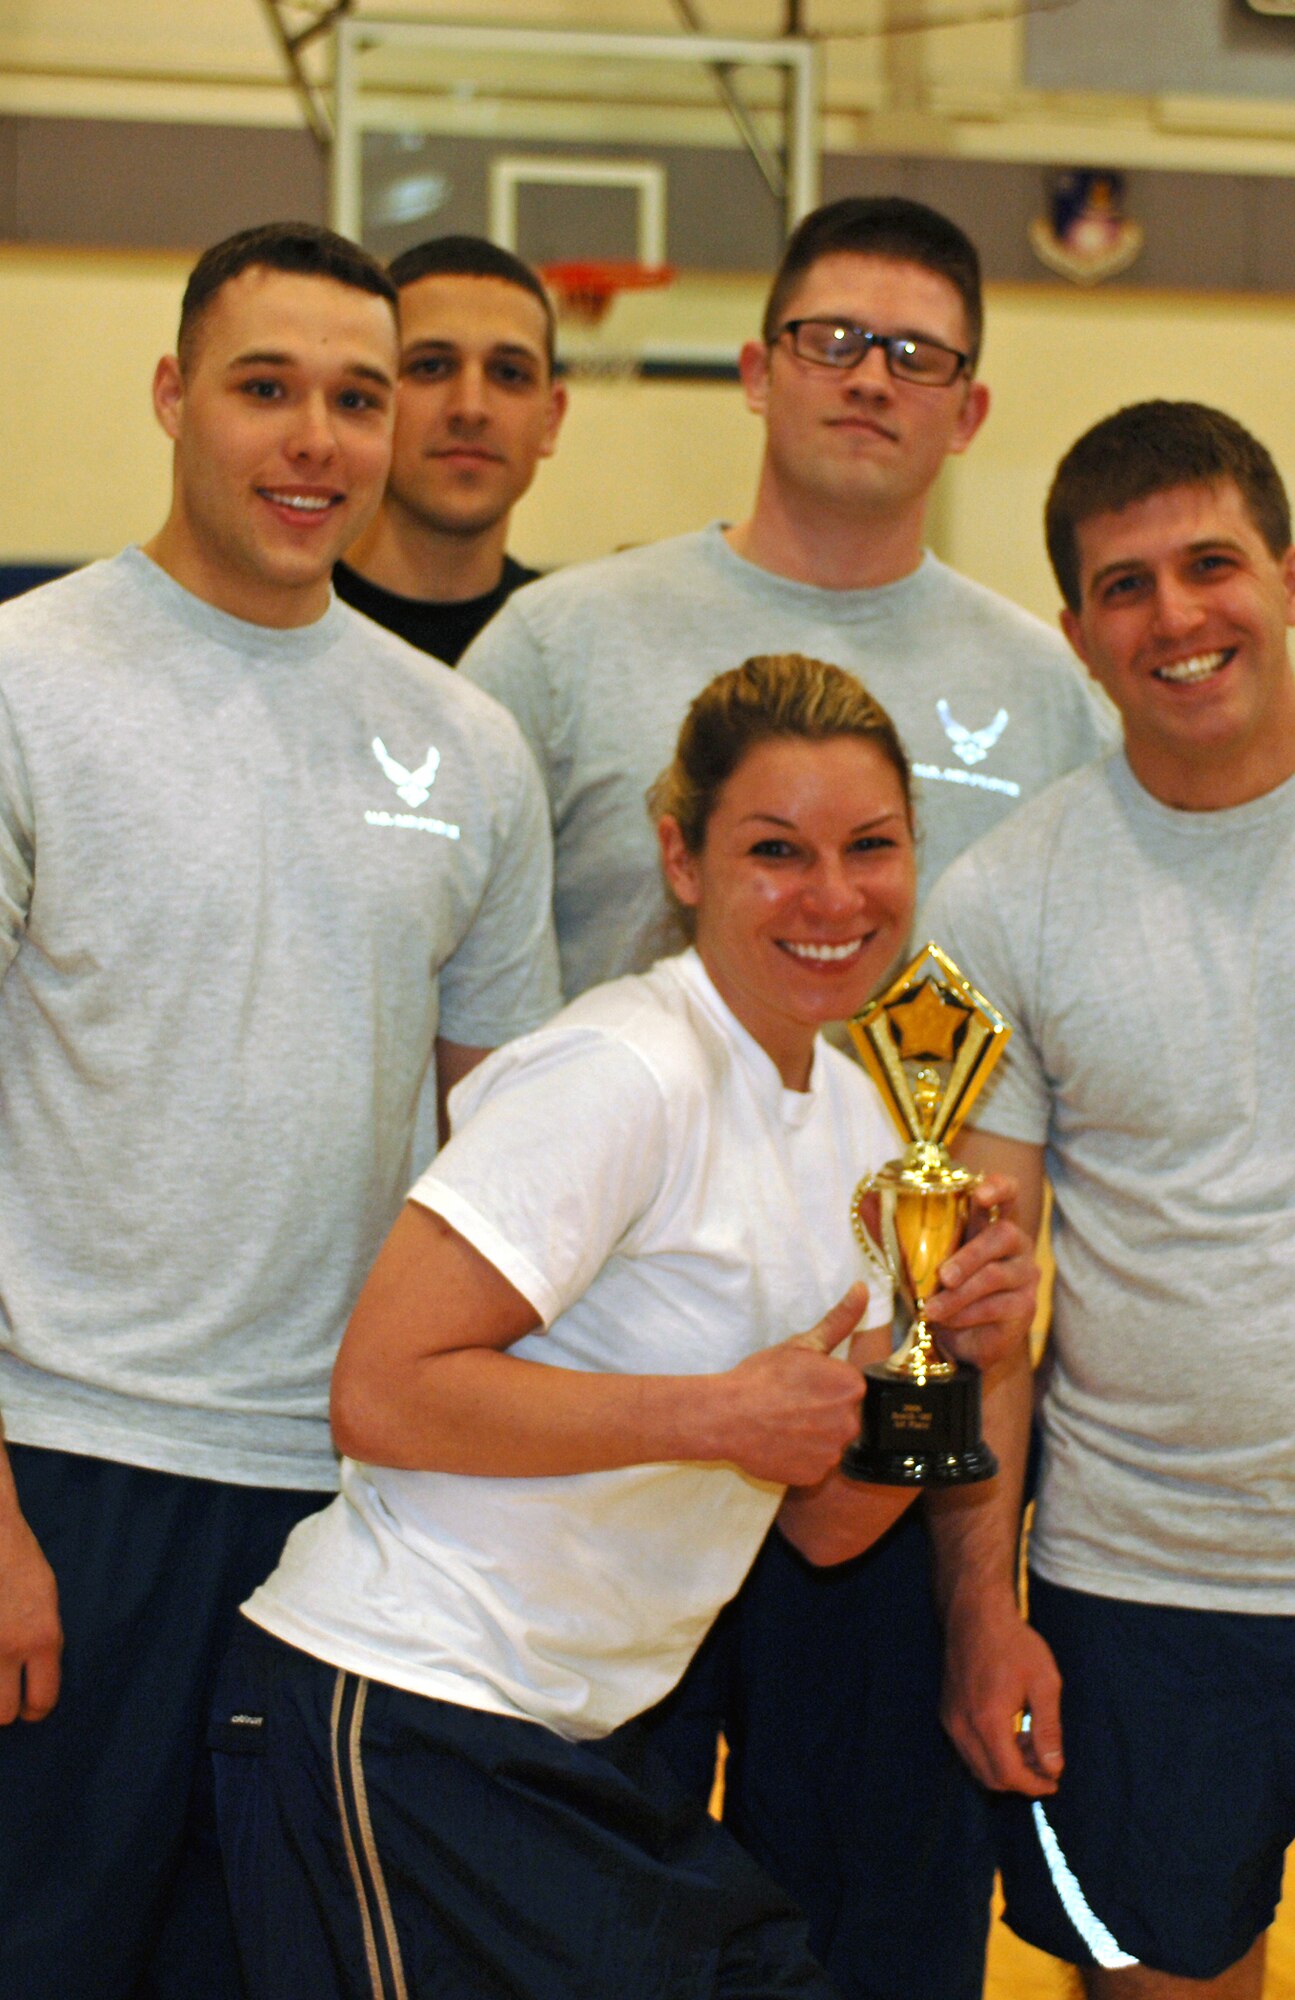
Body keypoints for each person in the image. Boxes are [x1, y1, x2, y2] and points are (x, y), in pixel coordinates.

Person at [461, 192, 1114, 2000]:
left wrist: (984, 1563)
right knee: (578, 1927)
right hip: (613, 1412)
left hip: (882, 1410)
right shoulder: (559, 648)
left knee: (876, 1937)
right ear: (753, 368)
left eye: (916, 354)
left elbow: (1046, 1077)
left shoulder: (1047, 694)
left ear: (967, 411)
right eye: (831, 338)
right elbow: (467, 1033)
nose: (868, 378)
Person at [210, 652, 1041, 2000]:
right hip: (407, 1717)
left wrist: (945, 1362)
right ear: (682, 857)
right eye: (776, 851)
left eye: (870, 848)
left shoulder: (854, 1117)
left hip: (583, 1745)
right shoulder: (620, 1069)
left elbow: (826, 1523)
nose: (833, 896)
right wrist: (714, 1413)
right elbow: (380, 1391)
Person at [0, 221, 559, 2000]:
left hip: (351, 1499)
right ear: (172, 397)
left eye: (354, 397)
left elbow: (513, 1151)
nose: (315, 439)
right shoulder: (29, 684)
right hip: (70, 1476)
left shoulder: (464, 746)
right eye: (265, 389)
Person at [924, 401, 1295, 2000]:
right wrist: (975, 1613)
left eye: (1209, 563)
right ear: (1076, 634)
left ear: (1289, 576)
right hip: (1132, 1600)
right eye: (1123, 585)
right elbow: (964, 1304)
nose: (1176, 616)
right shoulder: (995, 901)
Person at [333, 235, 565, 663]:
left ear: (551, 419)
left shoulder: (569, 641)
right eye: (431, 366)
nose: (471, 409)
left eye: (509, 373)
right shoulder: (284, 619)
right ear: (367, 400)